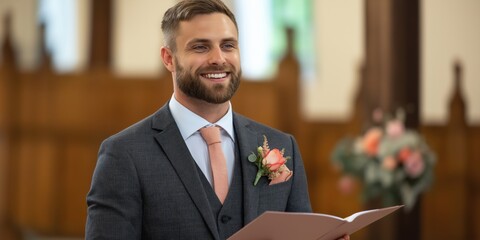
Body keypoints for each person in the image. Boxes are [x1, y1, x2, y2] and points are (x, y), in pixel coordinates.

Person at [86, 0, 349, 239]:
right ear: (169, 59)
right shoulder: (124, 154)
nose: (218, 59)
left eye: (228, 45)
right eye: (200, 47)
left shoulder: (282, 146)